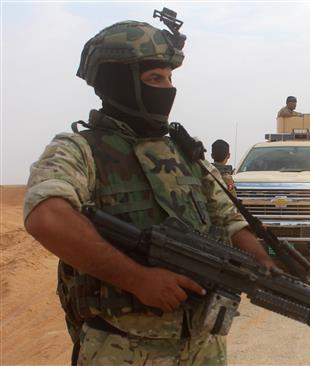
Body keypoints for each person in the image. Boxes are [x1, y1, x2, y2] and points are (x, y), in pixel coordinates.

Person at [23, 19, 275, 365]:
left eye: (170, 79)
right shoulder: (79, 149)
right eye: (155, 79)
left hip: (203, 345)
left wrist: (259, 262)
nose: (168, 89)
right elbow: (47, 217)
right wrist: (138, 279)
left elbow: (229, 220)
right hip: (121, 346)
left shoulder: (185, 153)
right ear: (119, 82)